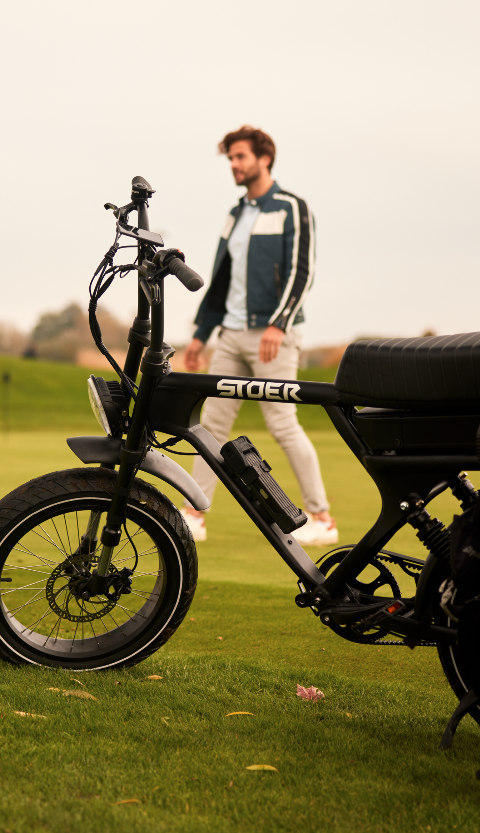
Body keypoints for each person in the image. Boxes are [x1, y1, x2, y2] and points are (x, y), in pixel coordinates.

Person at [180, 125, 336, 546]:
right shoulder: (236, 214)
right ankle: (195, 514)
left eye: (240, 157)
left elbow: (302, 272)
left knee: (282, 422)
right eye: (230, 158)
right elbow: (222, 278)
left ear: (264, 158)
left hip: (273, 337)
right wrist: (200, 334)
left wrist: (279, 322)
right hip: (230, 336)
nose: (234, 164)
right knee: (211, 425)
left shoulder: (291, 208)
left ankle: (322, 518)